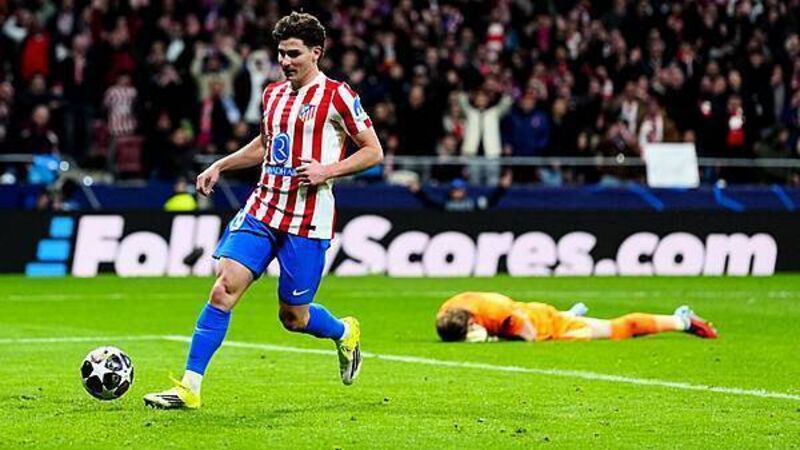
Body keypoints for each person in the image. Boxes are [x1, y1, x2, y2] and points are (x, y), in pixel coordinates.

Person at [144, 12, 383, 409]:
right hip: (263, 208)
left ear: (316, 52)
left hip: (307, 220)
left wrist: (328, 170)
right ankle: (189, 388)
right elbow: (265, 144)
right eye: (281, 54)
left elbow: (373, 151)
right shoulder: (273, 94)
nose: (285, 61)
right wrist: (221, 165)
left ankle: (344, 332)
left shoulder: (338, 96)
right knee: (223, 289)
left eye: (294, 54)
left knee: (294, 317)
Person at [436, 292, 717, 343]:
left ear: (471, 322)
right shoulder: (447, 313)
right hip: (534, 310)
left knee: (620, 329)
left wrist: (494, 340)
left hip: (547, 323)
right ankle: (570, 313)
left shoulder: (498, 312)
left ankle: (682, 320)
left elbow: (530, 334)